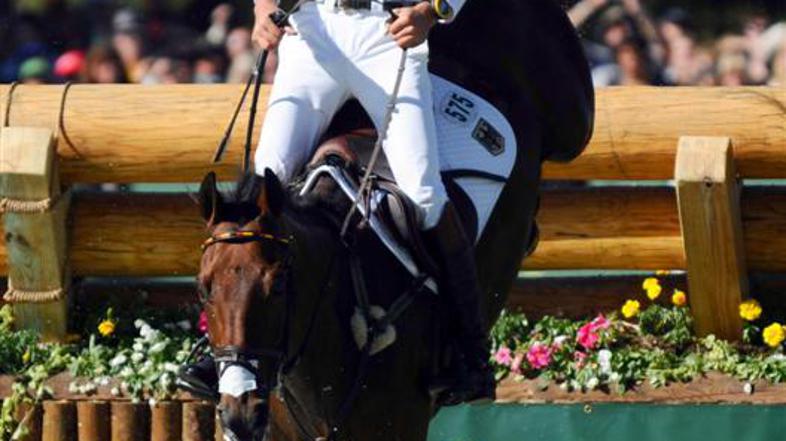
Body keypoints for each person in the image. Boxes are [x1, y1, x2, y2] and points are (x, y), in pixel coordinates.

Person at [178, 0, 495, 406]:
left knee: (423, 193)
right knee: (262, 183)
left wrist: (433, 11)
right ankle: (220, 348)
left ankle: (472, 351)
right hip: (312, 32)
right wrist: (262, 9)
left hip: (387, 33)